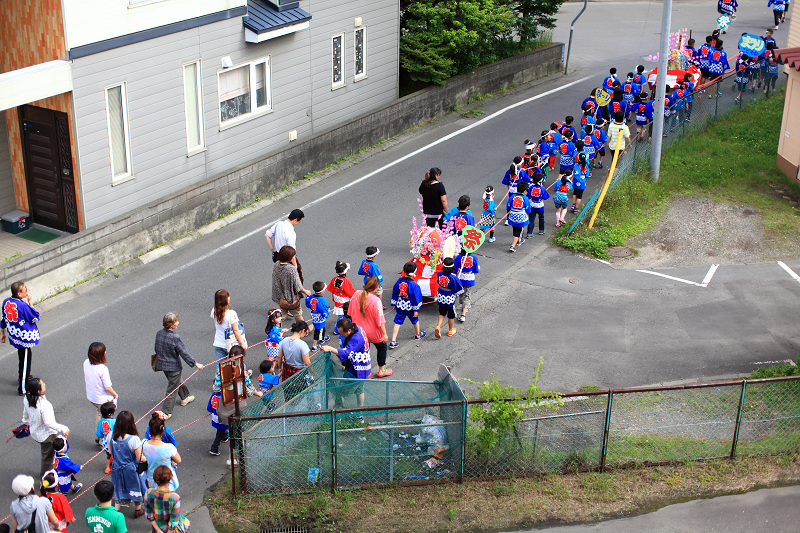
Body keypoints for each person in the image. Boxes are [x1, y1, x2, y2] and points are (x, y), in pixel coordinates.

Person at [155, 312, 205, 419]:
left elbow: (156, 348)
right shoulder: (175, 337)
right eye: (176, 321)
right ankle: (167, 411)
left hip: (161, 364)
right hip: (173, 366)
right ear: (172, 325)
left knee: (176, 381)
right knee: (172, 389)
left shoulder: (159, 333)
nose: (178, 322)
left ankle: (185, 396)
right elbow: (183, 352)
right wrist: (195, 363)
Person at [22, 377, 69, 477]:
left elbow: (26, 413)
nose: (44, 384)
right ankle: (46, 477)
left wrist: (26, 423)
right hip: (46, 436)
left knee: (46, 454)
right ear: (38, 391)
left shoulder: (27, 399)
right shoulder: (44, 405)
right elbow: (49, 423)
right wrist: (63, 428)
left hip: (35, 431)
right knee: (47, 457)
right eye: (42, 384)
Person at [320, 317, 372, 407]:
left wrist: (330, 348)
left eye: (342, 333)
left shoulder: (356, 338)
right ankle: (360, 412)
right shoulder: (358, 328)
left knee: (342, 392)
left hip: (357, 371)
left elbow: (346, 353)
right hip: (363, 367)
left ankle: (337, 414)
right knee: (359, 389)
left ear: (348, 330)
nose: (341, 335)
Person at [1, 281, 40, 395]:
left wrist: (2, 332)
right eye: (24, 290)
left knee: (22, 357)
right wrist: (30, 301)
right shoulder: (22, 305)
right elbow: (35, 316)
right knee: (25, 359)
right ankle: (22, 387)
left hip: (15, 335)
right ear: (19, 293)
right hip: (24, 337)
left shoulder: (6, 302)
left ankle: (23, 377)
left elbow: (4, 318)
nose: (27, 291)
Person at [106, 410, 146, 519]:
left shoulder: (110, 435)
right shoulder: (133, 439)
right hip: (131, 469)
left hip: (116, 467)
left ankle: (115, 511)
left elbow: (110, 452)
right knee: (135, 487)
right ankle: (137, 509)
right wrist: (148, 458)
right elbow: (139, 457)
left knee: (118, 487)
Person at [349, 277, 391, 378]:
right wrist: (384, 334)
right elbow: (380, 320)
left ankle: (365, 371)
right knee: (381, 348)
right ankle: (381, 370)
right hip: (374, 332)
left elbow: (350, 312)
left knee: (363, 350)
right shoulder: (376, 300)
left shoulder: (356, 294)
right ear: (375, 289)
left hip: (359, 331)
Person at [83, 342, 119, 435]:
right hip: (101, 398)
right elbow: (107, 387)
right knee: (103, 416)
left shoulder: (86, 362)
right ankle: (101, 438)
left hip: (91, 395)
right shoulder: (102, 369)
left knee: (99, 413)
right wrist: (115, 394)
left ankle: (98, 436)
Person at [389, 262, 425, 349]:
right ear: (414, 272)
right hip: (410, 307)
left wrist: (395, 303)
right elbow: (416, 297)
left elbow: (395, 291)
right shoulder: (414, 285)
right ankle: (418, 334)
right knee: (415, 320)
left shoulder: (400, 280)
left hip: (400, 304)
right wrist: (416, 309)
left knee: (397, 322)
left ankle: (393, 341)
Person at [272, 246, 312, 323]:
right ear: (290, 257)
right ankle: (302, 330)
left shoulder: (276, 265)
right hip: (290, 298)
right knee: (297, 314)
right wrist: (306, 291)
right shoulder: (291, 269)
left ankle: (277, 333)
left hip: (279, 297)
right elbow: (297, 285)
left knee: (280, 318)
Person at [145, 466, 189, 533]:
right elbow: (174, 522)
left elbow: (149, 516)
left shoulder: (148, 493)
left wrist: (158, 530)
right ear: (169, 479)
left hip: (157, 529)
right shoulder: (175, 498)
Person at [142, 413, 180, 492]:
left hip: (151, 477)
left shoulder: (143, 443)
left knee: (155, 496)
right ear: (163, 429)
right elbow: (178, 460)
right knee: (167, 498)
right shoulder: (169, 447)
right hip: (167, 477)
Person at [211, 288, 247, 367]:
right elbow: (236, 330)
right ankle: (243, 375)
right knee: (238, 362)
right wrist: (242, 343)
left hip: (218, 342)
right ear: (226, 300)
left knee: (220, 364)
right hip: (231, 344)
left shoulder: (214, 310)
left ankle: (219, 378)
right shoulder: (231, 314)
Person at [434, 258, 464, 338]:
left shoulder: (439, 274)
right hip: (449, 298)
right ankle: (450, 330)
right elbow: (459, 290)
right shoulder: (453, 277)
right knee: (451, 315)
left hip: (441, 296)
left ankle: (438, 326)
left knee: (442, 313)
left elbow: (438, 282)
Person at [454, 249, 479, 323]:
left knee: (461, 292)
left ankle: (463, 304)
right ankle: (463, 314)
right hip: (469, 278)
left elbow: (455, 270)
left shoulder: (458, 257)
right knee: (467, 295)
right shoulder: (474, 258)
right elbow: (476, 270)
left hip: (460, 277)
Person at [506, 181, 532, 252]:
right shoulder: (525, 199)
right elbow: (528, 210)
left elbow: (508, 206)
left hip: (512, 216)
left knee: (515, 229)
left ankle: (520, 239)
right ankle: (513, 245)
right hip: (520, 218)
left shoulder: (512, 197)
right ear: (524, 191)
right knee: (518, 231)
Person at [305, 282, 330, 351]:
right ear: (322, 291)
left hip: (314, 314)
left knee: (322, 328)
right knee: (318, 330)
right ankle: (314, 345)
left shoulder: (311, 297)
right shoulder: (322, 300)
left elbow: (308, 304)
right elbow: (323, 310)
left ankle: (322, 338)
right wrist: (327, 313)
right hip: (319, 316)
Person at [206, 391, 229, 456]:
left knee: (220, 430)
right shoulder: (227, 395)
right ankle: (214, 448)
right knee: (220, 432)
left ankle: (225, 436)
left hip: (215, 417)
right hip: (224, 418)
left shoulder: (214, 395)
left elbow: (209, 408)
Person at [97, 402, 117, 474]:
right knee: (117, 454)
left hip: (105, 441)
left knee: (108, 455)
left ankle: (108, 468)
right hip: (114, 441)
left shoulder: (101, 421)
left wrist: (102, 436)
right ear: (111, 413)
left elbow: (98, 434)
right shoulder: (114, 421)